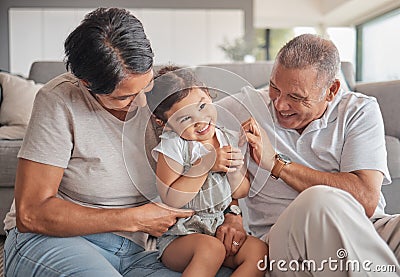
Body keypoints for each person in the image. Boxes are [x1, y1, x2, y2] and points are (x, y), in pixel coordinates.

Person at [2, 7, 236, 277]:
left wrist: (234, 213)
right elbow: (31, 213)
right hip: (56, 240)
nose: (142, 103)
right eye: (124, 97)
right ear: (86, 83)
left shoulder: (164, 95)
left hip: (138, 252)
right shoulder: (59, 100)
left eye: (145, 86)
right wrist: (134, 219)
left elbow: (220, 140)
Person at [217, 34, 400, 275]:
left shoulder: (359, 110)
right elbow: (190, 128)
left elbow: (365, 199)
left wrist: (278, 165)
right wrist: (232, 212)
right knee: (319, 201)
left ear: (331, 90)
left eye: (296, 97)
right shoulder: (246, 106)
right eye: (274, 87)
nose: (280, 105)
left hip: (368, 228)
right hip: (288, 243)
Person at [145, 66, 268, 276]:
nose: (200, 121)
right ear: (164, 123)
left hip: (218, 226)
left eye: (202, 106)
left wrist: (234, 171)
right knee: (211, 249)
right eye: (185, 118)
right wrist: (204, 165)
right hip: (181, 236)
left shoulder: (226, 137)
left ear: (209, 96)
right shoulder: (173, 146)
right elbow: (171, 198)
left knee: (259, 252)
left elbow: (240, 192)